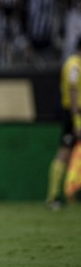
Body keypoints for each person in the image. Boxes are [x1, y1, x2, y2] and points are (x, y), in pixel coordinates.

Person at [46, 37, 81, 210]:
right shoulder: (74, 65)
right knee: (64, 153)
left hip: (73, 113)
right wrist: (76, 120)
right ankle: (53, 196)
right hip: (74, 113)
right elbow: (73, 91)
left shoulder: (72, 63)